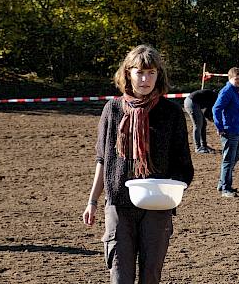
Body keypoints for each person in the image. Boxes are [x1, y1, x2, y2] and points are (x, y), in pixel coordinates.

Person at [82, 44, 194, 284]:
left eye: (151, 73)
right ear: (128, 74)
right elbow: (103, 159)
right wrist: (92, 201)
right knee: (120, 275)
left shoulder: (171, 113)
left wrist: (170, 187)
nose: (145, 79)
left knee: (151, 276)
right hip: (119, 205)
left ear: (159, 76)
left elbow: (183, 164)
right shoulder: (112, 110)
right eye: (139, 72)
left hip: (158, 205)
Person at [212, 67, 239, 198]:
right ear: (230, 78)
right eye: (236, 79)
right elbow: (216, 108)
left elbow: (237, 108)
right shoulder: (227, 91)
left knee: (235, 158)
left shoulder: (235, 91)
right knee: (228, 160)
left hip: (237, 129)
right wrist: (220, 127)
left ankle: (222, 184)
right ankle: (226, 189)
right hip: (229, 130)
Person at [183, 88, 217, 154]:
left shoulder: (214, 96)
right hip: (192, 103)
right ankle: (198, 148)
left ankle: (204, 145)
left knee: (203, 123)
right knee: (198, 125)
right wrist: (214, 120)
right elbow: (208, 113)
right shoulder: (215, 99)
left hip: (193, 102)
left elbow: (207, 113)